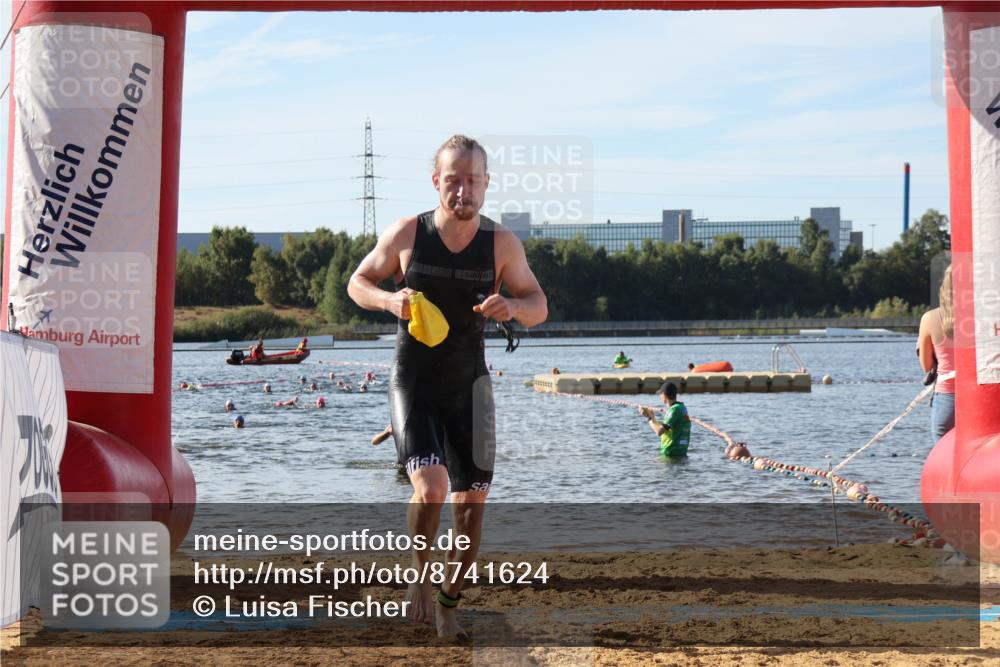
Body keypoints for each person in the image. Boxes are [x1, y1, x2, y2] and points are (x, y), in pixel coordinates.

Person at [347, 134, 547, 638]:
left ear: (486, 184)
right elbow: (358, 282)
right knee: (432, 487)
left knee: (470, 512)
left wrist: (514, 308)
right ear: (436, 182)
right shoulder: (407, 233)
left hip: (471, 388)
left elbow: (538, 304)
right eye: (453, 180)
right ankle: (418, 573)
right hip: (414, 382)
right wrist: (390, 302)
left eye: (472, 181)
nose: (463, 191)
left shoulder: (501, 243)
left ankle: (447, 603)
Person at [918, 265, 955, 442]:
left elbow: (926, 365)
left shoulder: (929, 319)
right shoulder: (983, 318)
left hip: (947, 399)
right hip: (981, 398)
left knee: (945, 462)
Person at [639, 382, 691, 458]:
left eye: (660, 394)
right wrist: (653, 417)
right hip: (680, 453)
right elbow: (664, 428)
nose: (660, 396)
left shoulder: (674, 410)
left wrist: (649, 418)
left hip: (671, 454)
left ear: (664, 395)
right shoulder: (681, 407)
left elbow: (659, 431)